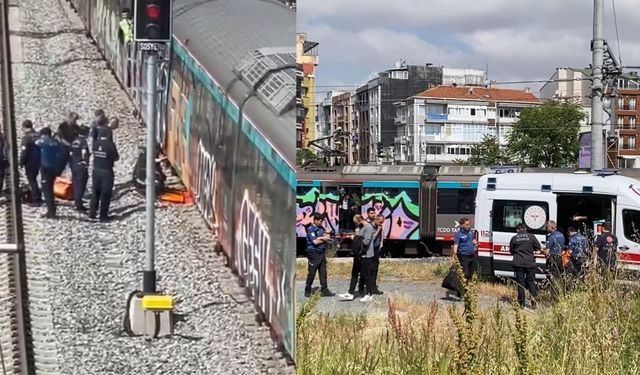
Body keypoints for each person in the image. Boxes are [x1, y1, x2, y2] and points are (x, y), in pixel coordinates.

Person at [89, 127, 119, 221]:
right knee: (105, 194)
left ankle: (92, 213)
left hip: (96, 170)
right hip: (107, 171)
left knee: (95, 193)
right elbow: (116, 157)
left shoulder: (95, 144)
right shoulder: (110, 145)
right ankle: (103, 215)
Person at [509, 224, 541, 309]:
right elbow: (538, 247)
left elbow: (511, 251)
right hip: (529, 263)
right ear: (525, 229)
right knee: (531, 282)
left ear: (517, 230)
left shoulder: (514, 238)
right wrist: (531, 249)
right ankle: (533, 302)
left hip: (518, 263)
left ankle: (521, 303)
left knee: (521, 283)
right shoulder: (531, 236)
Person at [304, 213, 335, 297]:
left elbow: (327, 237)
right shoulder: (311, 229)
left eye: (322, 221)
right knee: (312, 273)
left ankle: (324, 290)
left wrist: (321, 238)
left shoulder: (321, 228)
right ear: (315, 220)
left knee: (323, 272)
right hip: (313, 253)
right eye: (320, 221)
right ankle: (307, 289)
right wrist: (323, 239)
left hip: (321, 253)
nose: (322, 222)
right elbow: (315, 242)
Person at [338, 214, 367, 301]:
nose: (356, 224)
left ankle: (365, 293)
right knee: (354, 273)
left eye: (356, 222)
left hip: (363, 254)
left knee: (364, 274)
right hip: (357, 254)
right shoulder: (359, 229)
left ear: (359, 220)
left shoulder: (366, 228)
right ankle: (351, 293)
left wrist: (354, 238)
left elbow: (365, 241)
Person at [34, 127, 60, 218]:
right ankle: (51, 210)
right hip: (54, 168)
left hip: (46, 168)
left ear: (45, 135)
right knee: (49, 188)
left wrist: (36, 134)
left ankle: (51, 212)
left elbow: (36, 142)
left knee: (46, 190)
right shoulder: (55, 142)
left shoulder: (44, 142)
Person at [356, 214, 382, 302]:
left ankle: (369, 293)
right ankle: (364, 290)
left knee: (369, 273)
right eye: (380, 222)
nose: (381, 224)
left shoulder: (369, 228)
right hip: (368, 252)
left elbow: (367, 241)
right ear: (376, 219)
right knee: (365, 273)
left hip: (367, 253)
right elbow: (371, 238)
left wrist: (357, 240)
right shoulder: (369, 227)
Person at [19, 120, 42, 205]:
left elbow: (24, 152)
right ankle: (38, 195)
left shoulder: (26, 138)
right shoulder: (38, 135)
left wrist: (21, 162)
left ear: (24, 127)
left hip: (30, 162)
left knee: (31, 179)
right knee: (35, 178)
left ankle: (36, 199)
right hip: (39, 160)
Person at [70, 125, 91, 211]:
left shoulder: (74, 141)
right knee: (81, 185)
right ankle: (79, 205)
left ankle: (76, 202)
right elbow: (84, 152)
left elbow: (70, 153)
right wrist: (85, 161)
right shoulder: (83, 142)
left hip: (73, 164)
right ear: (86, 133)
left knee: (75, 183)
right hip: (80, 165)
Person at [452, 217, 478, 283]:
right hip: (464, 256)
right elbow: (456, 246)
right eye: (467, 225)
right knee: (465, 274)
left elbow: (472, 240)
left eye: (469, 224)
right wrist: (454, 256)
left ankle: (468, 288)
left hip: (471, 255)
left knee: (471, 273)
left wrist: (475, 242)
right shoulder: (458, 235)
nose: (469, 226)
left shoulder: (470, 232)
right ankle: (461, 288)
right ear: (462, 225)